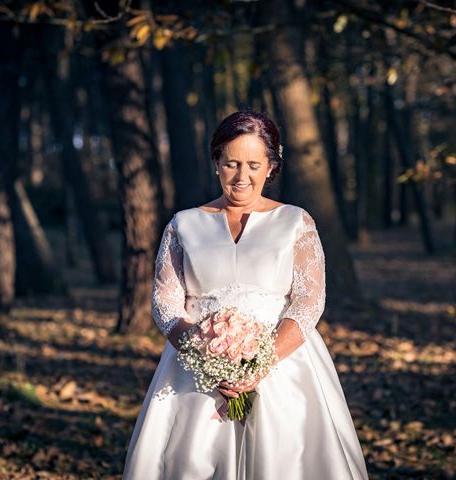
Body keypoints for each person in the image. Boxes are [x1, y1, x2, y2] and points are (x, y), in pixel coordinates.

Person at [122, 111, 368, 480]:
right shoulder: (183, 224)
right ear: (216, 163)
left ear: (271, 166)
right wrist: (204, 357)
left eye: (254, 164)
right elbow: (165, 302)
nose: (241, 177)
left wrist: (260, 365)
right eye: (231, 163)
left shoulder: (296, 222)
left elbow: (308, 301)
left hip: (284, 370)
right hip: (196, 372)